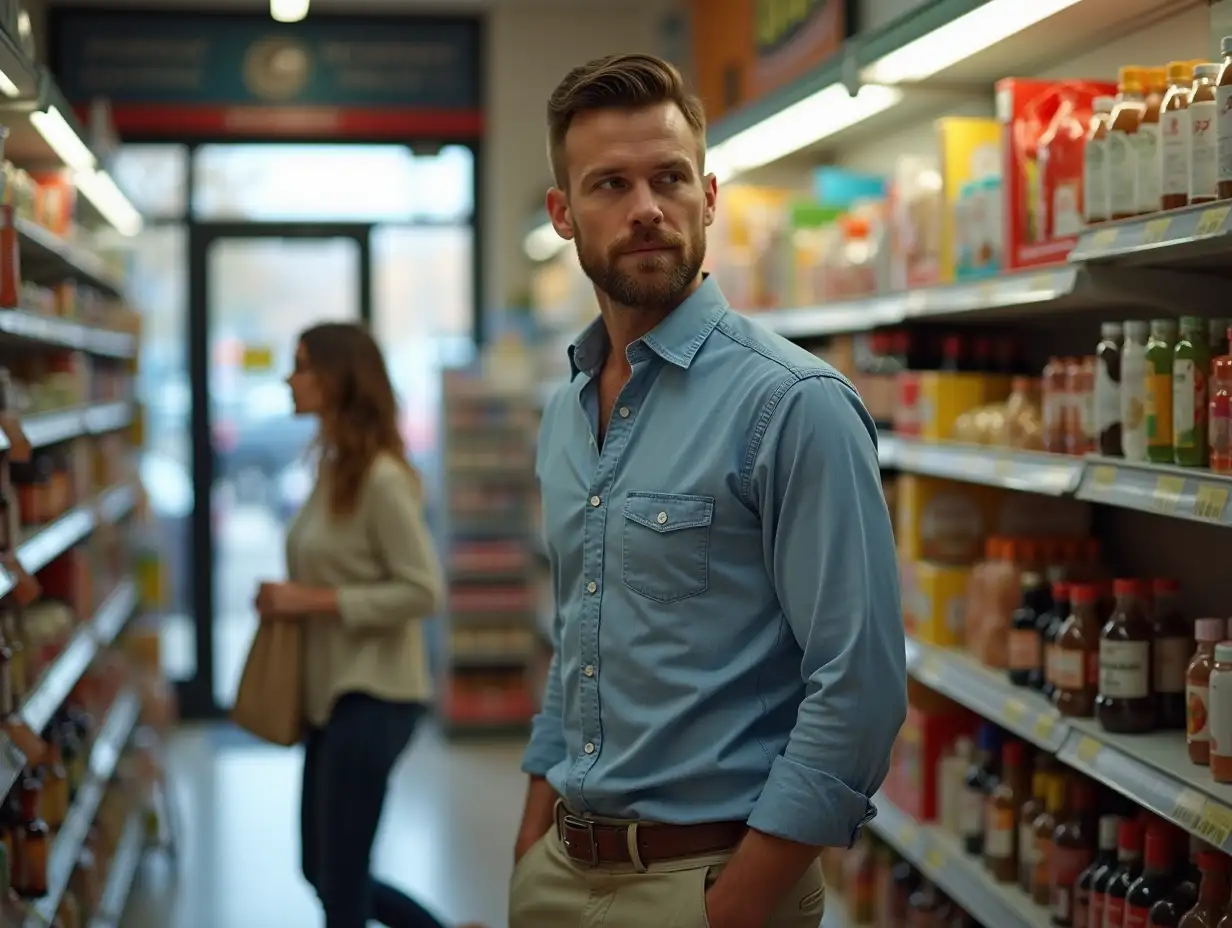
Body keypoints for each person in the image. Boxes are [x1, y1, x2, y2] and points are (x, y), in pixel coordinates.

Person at [509, 54, 907, 928]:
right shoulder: (566, 413)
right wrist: (532, 833)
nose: (646, 207)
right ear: (564, 214)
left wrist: (736, 905)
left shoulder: (794, 405)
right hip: (557, 870)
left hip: (707, 884)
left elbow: (861, 683)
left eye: (669, 177)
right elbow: (580, 631)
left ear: (710, 196)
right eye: (610, 184)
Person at [253, 322, 483, 928]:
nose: (290, 377)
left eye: (302, 365)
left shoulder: (381, 477)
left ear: (337, 378)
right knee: (323, 869)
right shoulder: (334, 467)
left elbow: (422, 589)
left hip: (376, 696)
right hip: (334, 698)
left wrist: (312, 601)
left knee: (340, 882)